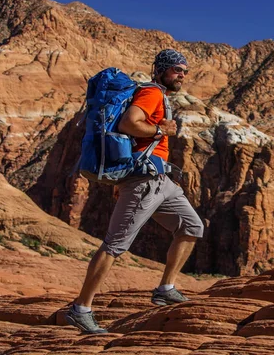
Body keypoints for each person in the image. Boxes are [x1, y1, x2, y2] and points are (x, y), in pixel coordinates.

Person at [66, 49, 204, 334]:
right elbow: (129, 123)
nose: (182, 75)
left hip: (161, 180)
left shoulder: (161, 96)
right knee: (115, 245)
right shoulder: (152, 92)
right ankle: (81, 309)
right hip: (144, 182)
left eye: (185, 71)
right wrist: (160, 130)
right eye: (178, 70)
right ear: (162, 70)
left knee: (192, 226)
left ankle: (165, 288)